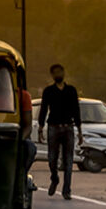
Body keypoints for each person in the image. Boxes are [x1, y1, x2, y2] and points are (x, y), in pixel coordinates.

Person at [37, 63, 81, 200]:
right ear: (52, 75)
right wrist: (40, 127)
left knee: (68, 161)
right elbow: (43, 109)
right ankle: (54, 178)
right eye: (55, 73)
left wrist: (80, 130)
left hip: (68, 127)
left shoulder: (71, 91)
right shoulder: (48, 91)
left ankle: (67, 189)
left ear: (63, 73)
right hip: (53, 127)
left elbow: (76, 110)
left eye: (60, 72)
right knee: (52, 158)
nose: (58, 75)